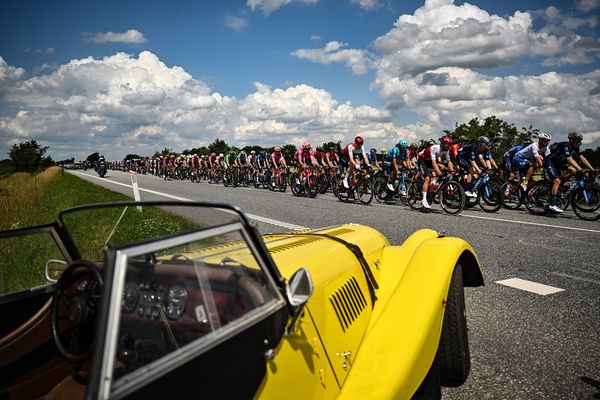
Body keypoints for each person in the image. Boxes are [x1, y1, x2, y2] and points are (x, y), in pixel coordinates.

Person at [545, 131, 594, 213]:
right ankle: (552, 205)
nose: (580, 143)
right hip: (550, 162)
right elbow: (569, 159)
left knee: (573, 170)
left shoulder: (575, 147)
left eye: (580, 142)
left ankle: (560, 186)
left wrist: (592, 169)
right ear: (572, 140)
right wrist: (580, 169)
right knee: (557, 181)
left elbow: (582, 158)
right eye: (578, 141)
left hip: (560, 163)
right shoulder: (565, 145)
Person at [417, 136, 454, 209]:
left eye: (449, 144)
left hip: (430, 161)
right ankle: (424, 200)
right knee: (427, 178)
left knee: (442, 168)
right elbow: (434, 163)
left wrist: (452, 171)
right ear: (442, 144)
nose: (448, 146)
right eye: (447, 144)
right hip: (423, 160)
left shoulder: (446, 150)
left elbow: (449, 161)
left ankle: (432, 185)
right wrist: (439, 173)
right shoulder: (435, 148)